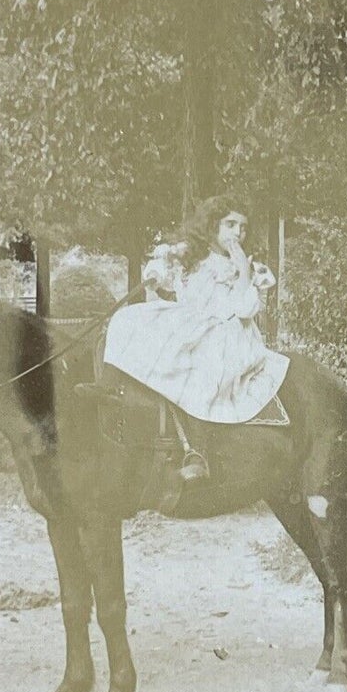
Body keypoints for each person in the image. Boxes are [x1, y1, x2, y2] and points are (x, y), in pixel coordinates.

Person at [104, 196, 289, 481]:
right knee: (127, 319)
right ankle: (110, 392)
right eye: (230, 224)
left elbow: (244, 310)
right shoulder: (191, 257)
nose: (237, 233)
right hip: (190, 326)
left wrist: (242, 272)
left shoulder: (248, 268)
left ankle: (197, 451)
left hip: (229, 334)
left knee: (203, 363)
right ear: (212, 225)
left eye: (242, 227)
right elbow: (162, 273)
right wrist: (158, 273)